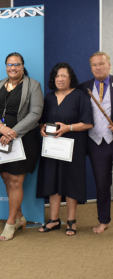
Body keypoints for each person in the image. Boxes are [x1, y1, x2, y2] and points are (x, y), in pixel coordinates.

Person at [0, 52, 43, 241]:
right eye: (9, 64)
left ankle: (10, 223)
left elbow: (35, 113)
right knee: (6, 178)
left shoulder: (33, 85)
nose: (13, 67)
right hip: (0, 138)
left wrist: (13, 133)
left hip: (23, 139)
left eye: (17, 64)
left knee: (16, 181)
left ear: (22, 65)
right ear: (6, 66)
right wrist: (2, 128)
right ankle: (19, 217)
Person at [37, 63, 93, 235]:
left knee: (71, 182)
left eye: (64, 76)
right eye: (57, 76)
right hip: (52, 147)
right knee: (52, 181)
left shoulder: (79, 96)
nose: (60, 79)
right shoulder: (48, 98)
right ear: (54, 79)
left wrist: (67, 128)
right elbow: (42, 121)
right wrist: (41, 128)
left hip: (73, 147)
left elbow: (88, 123)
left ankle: (71, 220)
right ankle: (54, 220)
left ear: (70, 78)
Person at [77, 51, 113, 234]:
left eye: (101, 63)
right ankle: (104, 220)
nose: (98, 67)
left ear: (109, 65)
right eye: (94, 65)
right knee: (102, 183)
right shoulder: (83, 88)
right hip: (97, 142)